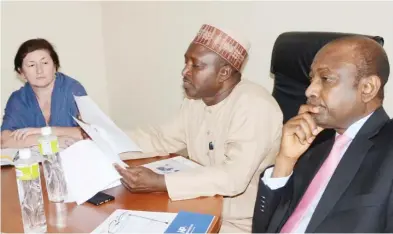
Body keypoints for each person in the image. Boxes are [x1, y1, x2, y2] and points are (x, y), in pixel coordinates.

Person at [114, 24, 283, 232]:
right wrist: (103, 140)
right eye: (186, 61)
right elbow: (159, 139)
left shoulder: (255, 106)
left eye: (196, 65)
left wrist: (162, 182)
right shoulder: (196, 101)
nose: (184, 71)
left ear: (223, 72)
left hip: (237, 224)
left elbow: (233, 177)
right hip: (198, 207)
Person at [252, 36, 393, 233]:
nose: (310, 90)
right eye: (312, 79)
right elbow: (263, 229)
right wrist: (285, 162)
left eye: (325, 79)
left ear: (367, 88)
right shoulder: (314, 143)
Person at [1, 38, 87, 149]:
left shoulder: (73, 90)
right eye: (32, 65)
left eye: (45, 63)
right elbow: (4, 140)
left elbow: (89, 133)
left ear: (55, 66)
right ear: (21, 73)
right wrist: (53, 141)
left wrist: (42, 131)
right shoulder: (18, 99)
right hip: (36, 163)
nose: (39, 70)